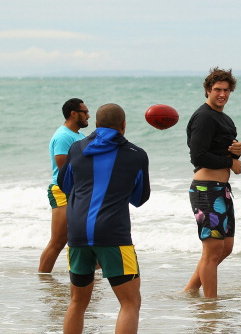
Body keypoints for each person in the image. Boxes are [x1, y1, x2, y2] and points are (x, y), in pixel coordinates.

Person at [58, 103, 150, 333]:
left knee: (77, 302)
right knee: (130, 303)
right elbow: (139, 198)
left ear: (96, 125)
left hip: (77, 233)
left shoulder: (77, 148)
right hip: (113, 234)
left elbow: (65, 184)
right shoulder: (136, 155)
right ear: (124, 126)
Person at [185, 67, 241, 298]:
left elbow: (224, 149)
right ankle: (210, 304)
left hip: (221, 189)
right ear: (208, 90)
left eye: (226, 90)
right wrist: (229, 160)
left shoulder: (224, 119)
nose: (222, 94)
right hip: (205, 189)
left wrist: (236, 152)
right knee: (212, 251)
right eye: (217, 89)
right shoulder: (204, 117)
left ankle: (191, 289)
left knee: (225, 247)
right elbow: (197, 157)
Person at [39, 98, 89, 273]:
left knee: (85, 239)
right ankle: (43, 279)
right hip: (62, 191)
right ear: (73, 113)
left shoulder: (79, 136)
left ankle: (88, 280)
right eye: (84, 112)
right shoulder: (63, 136)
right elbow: (63, 168)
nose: (88, 115)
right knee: (58, 241)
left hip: (77, 191)